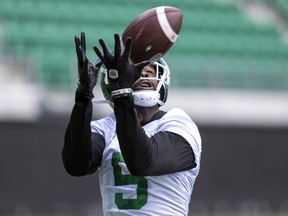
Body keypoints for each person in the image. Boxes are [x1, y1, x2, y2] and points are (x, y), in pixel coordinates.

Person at [62, 32, 202, 216]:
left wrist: (121, 93)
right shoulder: (106, 127)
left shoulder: (178, 122)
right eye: (136, 70)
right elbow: (76, 164)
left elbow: (143, 162)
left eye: (150, 71)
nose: (145, 73)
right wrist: (83, 96)